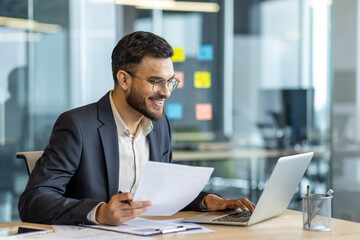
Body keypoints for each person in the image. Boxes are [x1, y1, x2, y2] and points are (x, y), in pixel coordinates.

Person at [18, 31, 255, 225]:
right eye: (156, 82)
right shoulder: (77, 125)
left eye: (171, 80)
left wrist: (206, 201)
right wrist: (99, 212)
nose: (166, 92)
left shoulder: (159, 126)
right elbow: (33, 201)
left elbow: (162, 195)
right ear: (124, 79)